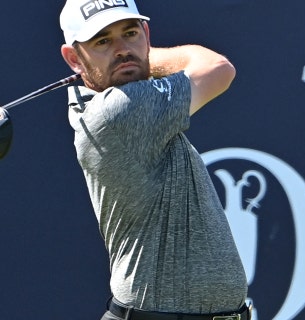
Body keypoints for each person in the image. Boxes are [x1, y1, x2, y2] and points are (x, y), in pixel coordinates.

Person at [58, 0, 250, 319]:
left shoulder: (104, 104)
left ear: (146, 32)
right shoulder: (119, 111)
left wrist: (127, 56)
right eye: (103, 41)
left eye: (130, 33)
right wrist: (141, 52)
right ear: (73, 58)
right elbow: (217, 68)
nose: (121, 49)